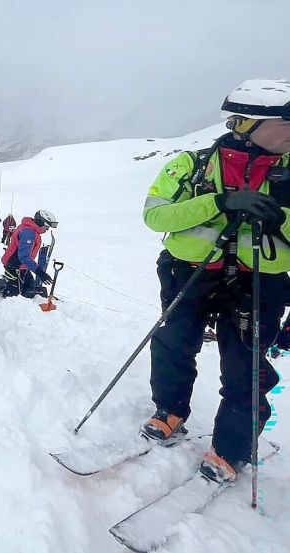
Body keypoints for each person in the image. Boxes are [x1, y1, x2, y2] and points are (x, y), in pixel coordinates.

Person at [139, 78, 290, 484]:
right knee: (173, 343)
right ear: (252, 123)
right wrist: (220, 203)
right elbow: (156, 216)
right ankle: (169, 410)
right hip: (188, 273)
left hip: (258, 282)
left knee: (245, 367)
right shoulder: (191, 164)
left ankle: (231, 448)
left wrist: (281, 216)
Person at [0, 210, 57, 298]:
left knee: (29, 287)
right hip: (14, 265)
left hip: (22, 265)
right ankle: (5, 303)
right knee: (15, 294)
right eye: (47, 226)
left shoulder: (30, 229)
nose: (47, 230)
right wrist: (40, 273)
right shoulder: (29, 233)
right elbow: (24, 257)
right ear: (41, 222)